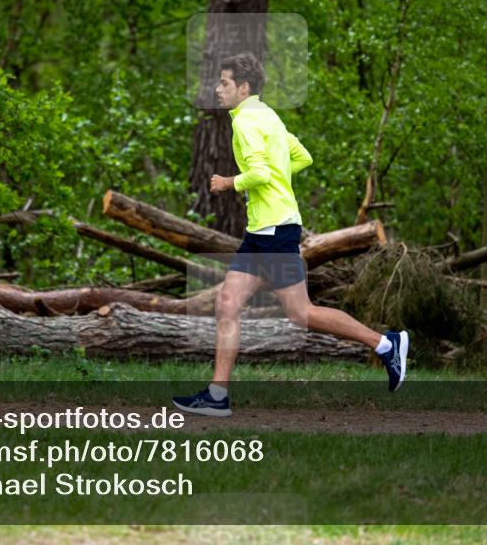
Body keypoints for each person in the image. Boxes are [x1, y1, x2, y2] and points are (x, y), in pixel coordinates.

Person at [173, 52, 408, 417]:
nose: (217, 89)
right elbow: (302, 158)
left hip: (274, 233)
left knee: (301, 313)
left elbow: (262, 174)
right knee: (228, 304)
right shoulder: (268, 116)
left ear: (244, 87)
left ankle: (385, 344)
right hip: (264, 231)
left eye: (224, 83)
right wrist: (274, 185)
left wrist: (229, 182)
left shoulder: (247, 122)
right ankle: (217, 396)